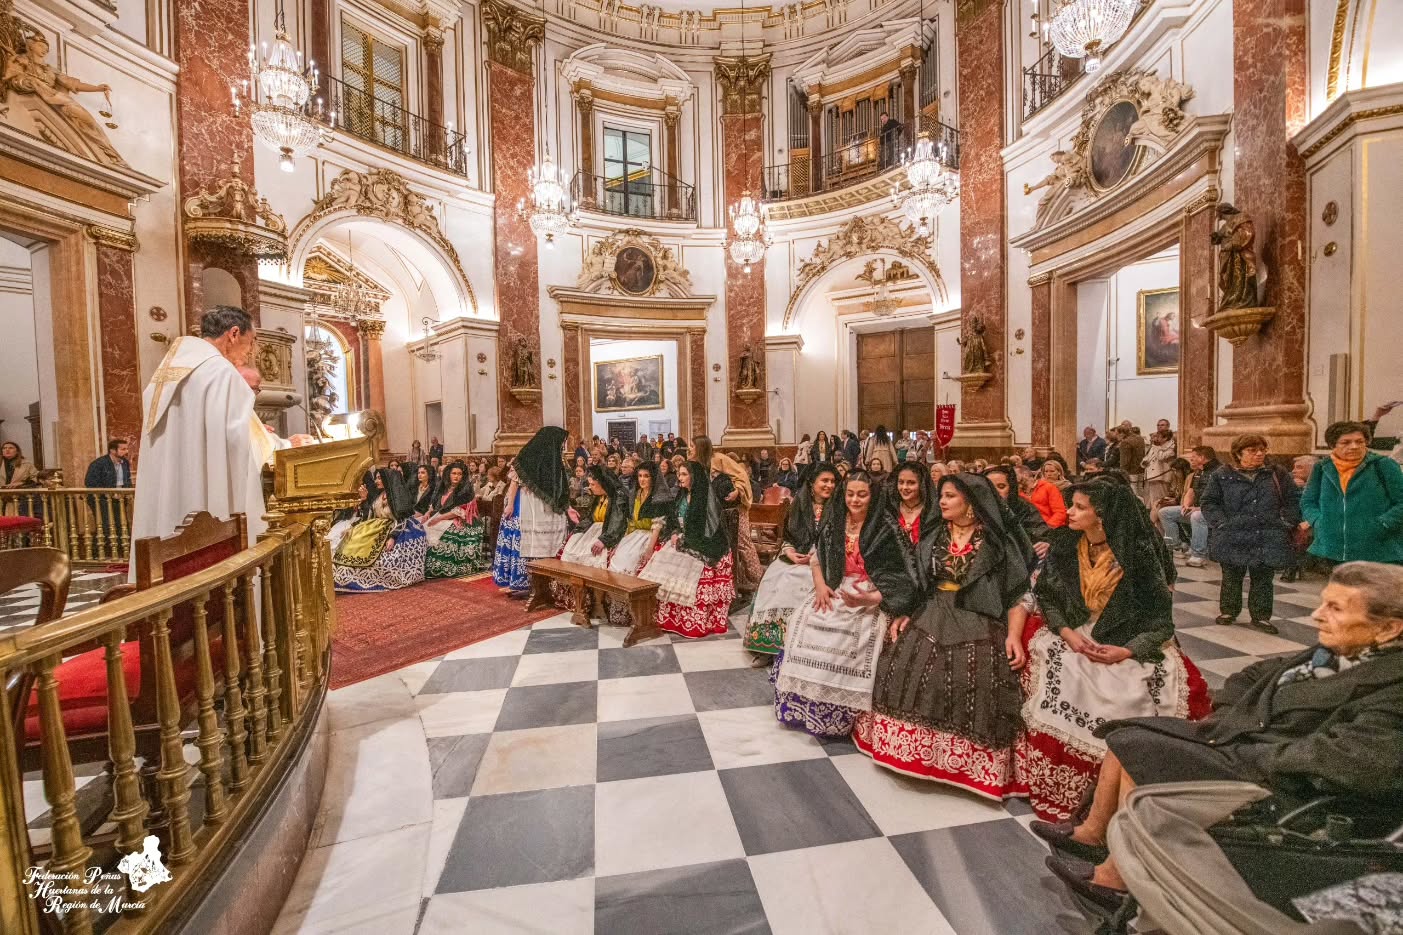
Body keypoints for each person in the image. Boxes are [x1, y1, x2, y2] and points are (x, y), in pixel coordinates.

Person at [1037, 561, 1403, 910]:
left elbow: (1353, 760)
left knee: (1142, 752)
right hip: (1245, 739)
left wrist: (1255, 748)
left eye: (1335, 608)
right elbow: (1257, 673)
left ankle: (1117, 877)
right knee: (1126, 733)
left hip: (1280, 777)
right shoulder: (1340, 652)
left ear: (1389, 629)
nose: (1317, 615)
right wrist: (1231, 714)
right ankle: (1094, 833)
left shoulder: (1390, 683)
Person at [1018, 479, 1211, 823]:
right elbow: (1047, 596)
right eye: (1072, 505)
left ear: (1102, 516)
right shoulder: (1066, 544)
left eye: (1079, 507)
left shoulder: (1137, 554)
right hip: (1074, 629)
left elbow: (1160, 623)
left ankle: (1122, 794)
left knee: (1131, 690)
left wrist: (1126, 652)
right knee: (1070, 676)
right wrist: (1068, 635)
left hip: (1124, 637)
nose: (1071, 513)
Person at [854, 473, 1032, 799]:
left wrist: (1015, 635)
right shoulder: (934, 536)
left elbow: (1017, 594)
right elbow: (916, 583)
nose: (943, 502)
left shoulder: (997, 543)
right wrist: (903, 611)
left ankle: (969, 764)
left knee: (978, 676)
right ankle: (910, 749)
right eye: (943, 496)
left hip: (979, 614)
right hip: (933, 608)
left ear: (971, 505)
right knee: (909, 665)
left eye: (950, 496)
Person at [772, 470, 918, 738]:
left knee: (855, 634)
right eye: (850, 494)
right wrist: (819, 585)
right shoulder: (835, 521)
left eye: (862, 494)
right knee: (805, 619)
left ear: (872, 497)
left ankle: (839, 712)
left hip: (873, 591)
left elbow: (903, 573)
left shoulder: (886, 527)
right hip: (836, 585)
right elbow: (817, 557)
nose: (855, 499)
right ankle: (803, 704)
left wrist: (873, 597)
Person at [128, 306, 276, 559]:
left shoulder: (165, 375)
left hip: (170, 495)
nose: (250, 352)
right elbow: (236, 444)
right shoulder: (220, 373)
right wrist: (270, 447)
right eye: (250, 343)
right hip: (208, 498)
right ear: (233, 334)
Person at [1199, 434, 1301, 633]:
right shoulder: (1222, 474)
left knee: (1263, 576)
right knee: (1231, 575)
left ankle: (1261, 616)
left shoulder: (1276, 473)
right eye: (1252, 450)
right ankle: (1229, 610)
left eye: (1262, 449)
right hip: (1233, 532)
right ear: (1239, 453)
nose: (1259, 454)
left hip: (1267, 532)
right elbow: (1209, 501)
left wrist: (1286, 521)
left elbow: (1292, 499)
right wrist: (1220, 523)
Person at [744, 464, 839, 656]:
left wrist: (819, 556)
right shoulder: (798, 505)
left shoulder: (840, 507)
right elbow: (787, 537)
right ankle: (770, 646)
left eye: (833, 481)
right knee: (775, 580)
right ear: (812, 483)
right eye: (825, 481)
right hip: (799, 555)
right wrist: (790, 553)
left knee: (799, 583)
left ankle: (801, 647)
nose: (829, 485)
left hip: (827, 561)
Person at [639, 460, 734, 637]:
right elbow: (674, 519)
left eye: (683, 474)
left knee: (685, 565)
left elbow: (705, 531)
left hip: (704, 543)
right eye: (679, 474)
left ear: (694, 477)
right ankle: (663, 617)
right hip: (683, 539)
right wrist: (675, 533)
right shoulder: (682, 495)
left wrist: (683, 540)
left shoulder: (703, 497)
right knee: (659, 560)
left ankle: (691, 620)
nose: (679, 478)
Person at [1301, 421, 1403, 566]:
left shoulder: (1383, 465)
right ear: (1332, 445)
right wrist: (1319, 522)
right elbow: (1308, 501)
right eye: (1346, 442)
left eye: (1359, 441)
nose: (1354, 446)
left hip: (1378, 550)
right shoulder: (1322, 467)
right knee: (1342, 588)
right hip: (1334, 549)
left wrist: (1382, 524)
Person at [491, 426, 571, 596]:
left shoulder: (555, 459)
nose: (562, 445)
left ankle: (545, 582)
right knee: (521, 543)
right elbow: (514, 482)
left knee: (547, 542)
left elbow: (560, 489)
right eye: (561, 442)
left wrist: (568, 508)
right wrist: (510, 504)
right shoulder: (528, 455)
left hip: (546, 509)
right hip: (525, 505)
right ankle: (518, 582)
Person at [333, 468, 428, 592]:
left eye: (379, 478)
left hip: (397, 528)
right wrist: (353, 527)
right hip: (376, 526)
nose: (376, 481)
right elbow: (369, 516)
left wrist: (393, 537)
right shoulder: (379, 496)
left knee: (385, 558)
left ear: (387, 480)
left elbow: (401, 519)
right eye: (376, 478)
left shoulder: (397, 497)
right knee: (355, 538)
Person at [560, 465, 631, 578]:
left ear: (603, 484)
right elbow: (590, 517)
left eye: (593, 484)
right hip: (593, 530)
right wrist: (578, 530)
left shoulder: (618, 497)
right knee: (571, 549)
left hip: (608, 532)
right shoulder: (599, 496)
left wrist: (604, 540)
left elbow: (617, 521)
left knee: (592, 559)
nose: (590, 487)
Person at [423, 461, 489, 579]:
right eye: (454, 473)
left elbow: (459, 511)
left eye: (459, 474)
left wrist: (439, 518)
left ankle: (443, 566)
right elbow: (435, 504)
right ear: (449, 474)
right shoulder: (443, 488)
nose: (456, 476)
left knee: (440, 532)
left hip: (463, 520)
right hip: (441, 516)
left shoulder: (466, 490)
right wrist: (428, 513)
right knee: (422, 528)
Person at [1159, 445, 1220, 567]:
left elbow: (1220, 499)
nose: (1191, 460)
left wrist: (1199, 508)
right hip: (1196, 508)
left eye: (1193, 458)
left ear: (1202, 457)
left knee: (1197, 516)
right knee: (1165, 512)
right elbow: (1191, 491)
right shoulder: (1199, 472)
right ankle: (1177, 547)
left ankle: (1198, 555)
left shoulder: (1218, 472)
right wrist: (1186, 505)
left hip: (1214, 512)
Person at [984, 465, 1051, 559]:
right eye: (989, 486)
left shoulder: (1024, 507)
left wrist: (1045, 544)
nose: (995, 491)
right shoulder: (974, 508)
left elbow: (1040, 532)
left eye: (1001, 486)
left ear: (1011, 488)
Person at [1018, 462, 1068, 528]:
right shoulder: (1018, 493)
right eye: (1046, 471)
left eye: (1052, 471)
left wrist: (1048, 527)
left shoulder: (1050, 487)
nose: (1049, 474)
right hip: (1029, 528)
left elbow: (1060, 512)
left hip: (1048, 527)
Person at [1142, 431, 1177, 508]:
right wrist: (1144, 462)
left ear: (1165, 438)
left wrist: (1156, 446)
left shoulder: (1171, 448)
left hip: (1160, 478)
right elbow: (1147, 457)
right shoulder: (1155, 447)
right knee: (1148, 501)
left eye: (1158, 437)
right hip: (1150, 477)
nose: (1155, 439)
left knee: (1158, 501)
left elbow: (1160, 457)